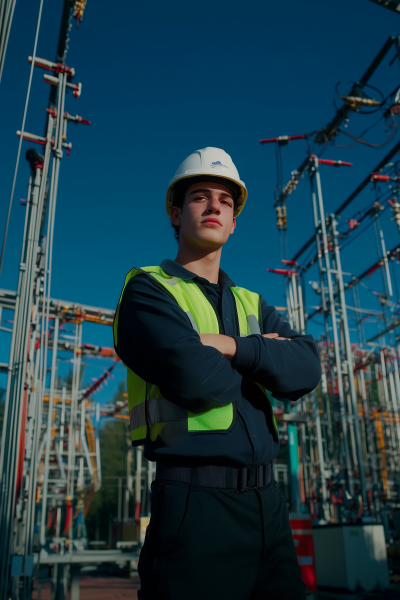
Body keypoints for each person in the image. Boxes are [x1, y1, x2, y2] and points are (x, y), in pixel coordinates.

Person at [113, 147, 321, 600]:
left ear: (233, 220)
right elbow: (198, 380)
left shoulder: (251, 303)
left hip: (269, 506)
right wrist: (266, 357)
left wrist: (228, 346)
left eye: (225, 201)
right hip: (195, 508)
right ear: (175, 212)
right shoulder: (147, 291)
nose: (214, 207)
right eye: (199, 197)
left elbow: (306, 368)